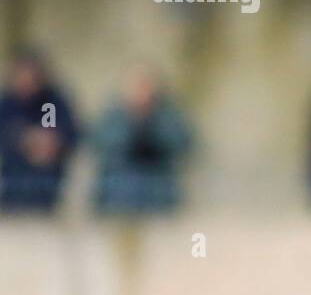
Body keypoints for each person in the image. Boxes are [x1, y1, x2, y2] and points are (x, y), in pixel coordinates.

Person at [93, 64, 192, 214]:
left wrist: (150, 125)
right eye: (136, 86)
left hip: (158, 194)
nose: (141, 92)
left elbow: (182, 143)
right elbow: (101, 144)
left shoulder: (168, 116)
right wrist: (133, 125)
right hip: (117, 197)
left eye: (145, 86)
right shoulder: (112, 117)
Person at [0, 50, 79, 213]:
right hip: (12, 187)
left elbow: (71, 133)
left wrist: (54, 141)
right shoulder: (6, 104)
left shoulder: (54, 101)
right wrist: (21, 139)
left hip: (48, 188)